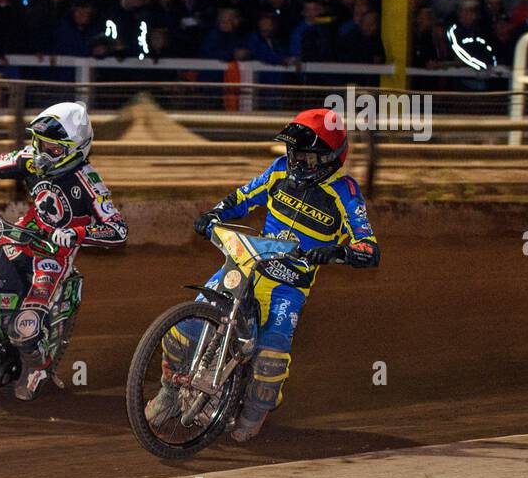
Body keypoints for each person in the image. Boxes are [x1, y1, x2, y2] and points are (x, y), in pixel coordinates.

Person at [148, 108, 380, 442]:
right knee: (181, 330)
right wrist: (214, 213)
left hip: (287, 286)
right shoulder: (279, 170)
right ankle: (171, 392)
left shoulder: (345, 192)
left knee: (270, 358)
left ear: (329, 159)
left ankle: (253, 416)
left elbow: (369, 246)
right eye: (293, 153)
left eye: (306, 156)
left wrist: (339, 251)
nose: (296, 161)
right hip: (246, 263)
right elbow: (244, 196)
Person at [0, 102, 127, 400]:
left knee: (23, 327)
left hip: (52, 257)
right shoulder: (31, 160)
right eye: (40, 143)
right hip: (20, 237)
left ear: (77, 149)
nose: (42, 153)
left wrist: (75, 233)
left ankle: (35, 368)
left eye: (53, 148)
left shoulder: (89, 183)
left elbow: (118, 228)